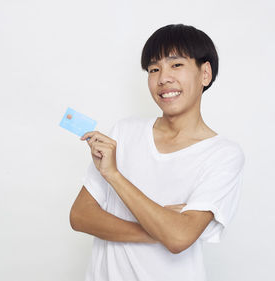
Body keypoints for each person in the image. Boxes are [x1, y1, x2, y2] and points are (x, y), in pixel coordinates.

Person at [69, 23, 245, 281]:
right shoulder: (124, 132)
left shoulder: (223, 154)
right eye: (154, 69)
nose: (163, 78)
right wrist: (161, 228)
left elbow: (178, 238)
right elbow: (80, 217)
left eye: (176, 65)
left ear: (204, 73)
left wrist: (114, 176)